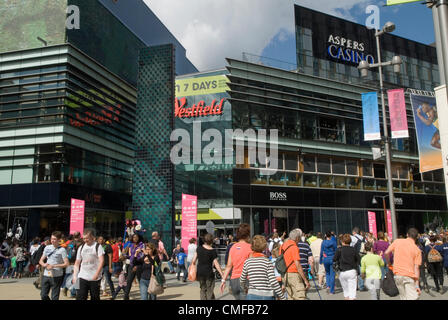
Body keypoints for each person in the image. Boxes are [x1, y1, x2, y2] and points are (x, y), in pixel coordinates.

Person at [240, 235, 286, 300]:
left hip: (252, 295)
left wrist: (245, 288)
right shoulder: (267, 262)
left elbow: (242, 279)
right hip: (267, 295)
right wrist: (282, 296)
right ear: (264, 247)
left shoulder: (247, 262)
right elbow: (273, 282)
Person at [384, 228, 422, 300]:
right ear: (416, 237)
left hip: (398, 275)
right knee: (413, 298)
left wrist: (389, 263)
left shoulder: (397, 241)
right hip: (409, 276)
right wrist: (417, 284)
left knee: (403, 297)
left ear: (407, 235)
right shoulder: (417, 250)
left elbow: (386, 253)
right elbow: (416, 268)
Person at [221, 223, 252, 300]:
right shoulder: (250, 248)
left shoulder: (233, 247)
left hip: (234, 280)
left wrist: (223, 280)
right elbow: (251, 266)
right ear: (248, 234)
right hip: (245, 279)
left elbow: (228, 266)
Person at [72, 229, 105, 300]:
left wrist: (96, 274)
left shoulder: (98, 246)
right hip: (82, 276)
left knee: (95, 297)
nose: (85, 240)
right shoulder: (81, 247)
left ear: (92, 237)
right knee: (80, 297)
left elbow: (101, 261)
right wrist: (75, 276)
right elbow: (77, 263)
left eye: (87, 238)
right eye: (84, 238)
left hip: (95, 278)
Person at [192, 233, 224, 300]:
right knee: (209, 290)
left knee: (202, 289)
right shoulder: (212, 251)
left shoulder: (199, 248)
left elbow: (193, 261)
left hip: (200, 273)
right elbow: (216, 264)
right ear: (212, 241)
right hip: (209, 273)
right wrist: (222, 274)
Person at [280, 229, 310, 300]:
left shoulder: (283, 245)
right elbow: (298, 265)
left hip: (285, 275)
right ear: (297, 238)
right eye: (299, 238)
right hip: (294, 274)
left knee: (291, 297)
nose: (299, 240)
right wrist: (305, 280)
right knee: (300, 296)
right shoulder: (294, 247)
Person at [39, 231, 69, 300]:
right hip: (46, 274)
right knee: (43, 295)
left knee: (54, 297)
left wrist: (54, 266)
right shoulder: (47, 248)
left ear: (59, 240)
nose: (52, 240)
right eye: (51, 238)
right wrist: (44, 264)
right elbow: (41, 260)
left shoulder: (62, 250)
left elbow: (66, 264)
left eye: (54, 239)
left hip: (57, 276)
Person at [334, 234, 360, 300]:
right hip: (352, 271)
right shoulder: (353, 250)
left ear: (342, 241)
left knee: (346, 292)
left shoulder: (339, 250)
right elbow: (359, 260)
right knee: (352, 293)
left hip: (342, 272)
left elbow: (334, 259)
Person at [123, 233, 144, 300]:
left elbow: (141, 256)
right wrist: (126, 256)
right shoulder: (131, 245)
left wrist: (137, 265)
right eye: (134, 237)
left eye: (136, 237)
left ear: (139, 237)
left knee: (141, 281)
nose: (135, 238)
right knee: (129, 281)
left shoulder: (141, 245)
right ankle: (126, 296)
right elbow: (131, 255)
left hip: (139, 265)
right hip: (131, 265)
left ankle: (145, 296)